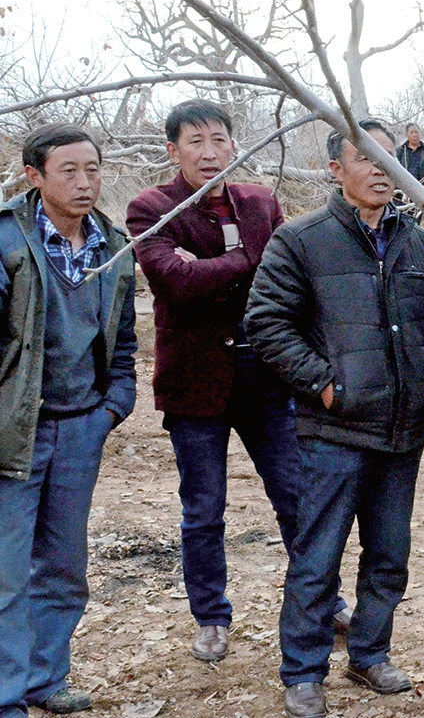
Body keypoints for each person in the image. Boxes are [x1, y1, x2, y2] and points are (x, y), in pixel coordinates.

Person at [126, 99, 350, 665]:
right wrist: (249, 258)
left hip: (268, 377)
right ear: (172, 149)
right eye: (194, 141)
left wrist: (212, 266)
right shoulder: (150, 208)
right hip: (195, 381)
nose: (209, 152)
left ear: (234, 143)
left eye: (219, 139)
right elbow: (176, 283)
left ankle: (323, 601)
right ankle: (210, 616)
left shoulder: (260, 200)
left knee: (297, 497)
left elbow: (285, 281)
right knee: (204, 508)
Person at [246, 120, 424, 718]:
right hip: (333, 432)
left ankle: (370, 653)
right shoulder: (302, 239)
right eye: (364, 159)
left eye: (388, 160)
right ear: (336, 171)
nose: (379, 170)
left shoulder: (414, 242)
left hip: (401, 430)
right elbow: (266, 323)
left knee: (389, 553)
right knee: (319, 556)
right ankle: (304, 671)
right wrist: (326, 387)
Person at [0, 123, 137, 716]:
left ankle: (45, 679)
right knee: (6, 574)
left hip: (82, 426)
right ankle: (6, 697)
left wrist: (114, 406)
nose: (86, 183)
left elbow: (123, 338)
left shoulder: (111, 243)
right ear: (34, 177)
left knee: (63, 565)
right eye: (69, 172)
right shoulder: (6, 242)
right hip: (14, 431)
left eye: (94, 169)